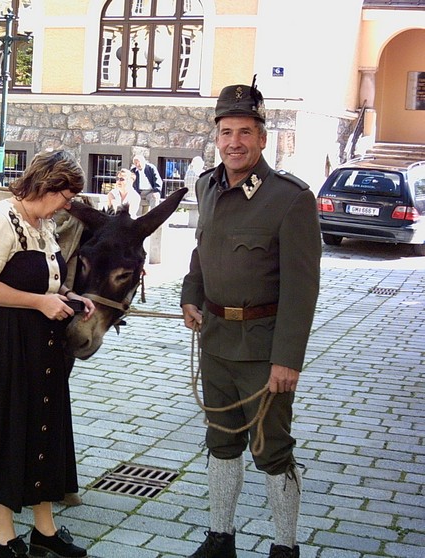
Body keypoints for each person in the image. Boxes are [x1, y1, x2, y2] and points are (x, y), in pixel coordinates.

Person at [180, 81, 321, 558]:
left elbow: (303, 289)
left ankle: (285, 547)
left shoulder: (290, 198)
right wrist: (190, 296)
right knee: (220, 441)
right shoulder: (206, 185)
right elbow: (201, 252)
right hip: (215, 340)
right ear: (216, 136)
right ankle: (221, 538)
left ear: (263, 138)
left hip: (264, 349)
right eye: (226, 131)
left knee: (271, 448)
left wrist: (287, 361)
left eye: (245, 131)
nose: (234, 142)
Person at [0, 149, 95, 558]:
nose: (68, 204)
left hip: (39, 344)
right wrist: (41, 304)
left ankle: (45, 530)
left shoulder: (42, 225)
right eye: (67, 195)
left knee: (41, 427)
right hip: (4, 344)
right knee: (7, 432)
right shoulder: (0, 221)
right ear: (48, 186)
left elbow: (42, 280)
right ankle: (4, 537)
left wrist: (68, 295)